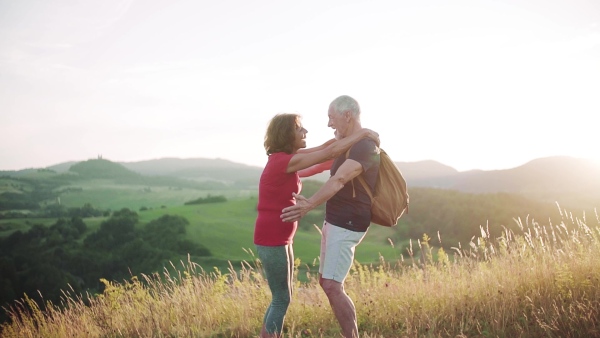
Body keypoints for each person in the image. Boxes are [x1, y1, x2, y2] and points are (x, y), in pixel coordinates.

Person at [255, 112, 379, 338]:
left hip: (281, 238)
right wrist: (364, 133)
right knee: (281, 299)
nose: (305, 132)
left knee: (283, 296)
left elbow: (326, 150)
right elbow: (329, 152)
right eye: (299, 129)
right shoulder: (284, 160)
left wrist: (348, 140)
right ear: (286, 134)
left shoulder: (289, 157)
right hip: (271, 238)